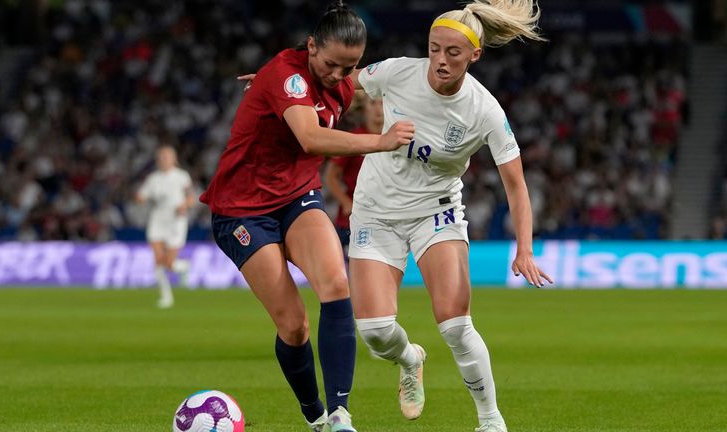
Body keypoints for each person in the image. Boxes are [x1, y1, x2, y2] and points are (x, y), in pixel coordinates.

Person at [199, 2, 414, 431]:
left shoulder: (339, 82)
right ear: (312, 46)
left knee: (336, 284)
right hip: (242, 210)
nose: (339, 75)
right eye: (332, 64)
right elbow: (311, 137)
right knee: (294, 325)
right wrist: (382, 141)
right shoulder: (287, 74)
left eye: (349, 66)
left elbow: (351, 95)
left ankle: (339, 416)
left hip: (297, 196)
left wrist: (266, 90)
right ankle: (314, 415)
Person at [347, 1, 554, 431]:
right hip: (375, 209)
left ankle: (491, 420)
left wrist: (525, 248)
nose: (440, 60)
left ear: (474, 55)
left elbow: (515, 184)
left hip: (435, 213)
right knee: (374, 332)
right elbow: (343, 84)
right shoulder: (398, 72)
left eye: (453, 53)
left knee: (457, 326)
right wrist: (286, 88)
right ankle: (410, 358)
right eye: (434, 48)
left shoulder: (485, 111)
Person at [323, 95, 384, 256]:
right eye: (373, 103)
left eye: (383, 103)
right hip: (353, 220)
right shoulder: (354, 139)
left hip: (386, 218)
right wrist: (346, 202)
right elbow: (330, 176)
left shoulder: (396, 137)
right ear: (365, 108)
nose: (378, 109)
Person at [135, 145, 195, 309]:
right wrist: (140, 198)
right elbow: (141, 196)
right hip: (157, 220)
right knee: (158, 260)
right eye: (161, 157)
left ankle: (183, 267)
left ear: (174, 159)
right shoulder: (153, 179)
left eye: (166, 157)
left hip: (176, 221)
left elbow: (191, 198)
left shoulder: (182, 177)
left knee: (168, 262)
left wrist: (184, 205)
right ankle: (166, 297)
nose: (163, 160)